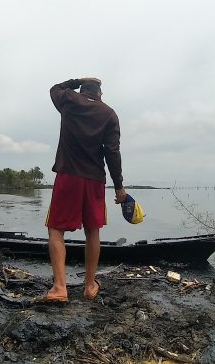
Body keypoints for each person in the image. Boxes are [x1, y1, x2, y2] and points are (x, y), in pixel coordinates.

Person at [42, 77, 126, 303]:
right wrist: (119, 187)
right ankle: (89, 286)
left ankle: (60, 288)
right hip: (94, 179)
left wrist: (77, 80)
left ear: (82, 90)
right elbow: (112, 152)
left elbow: (55, 88)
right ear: (100, 94)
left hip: (68, 175)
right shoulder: (109, 114)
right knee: (92, 231)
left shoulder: (69, 100)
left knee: (56, 229)